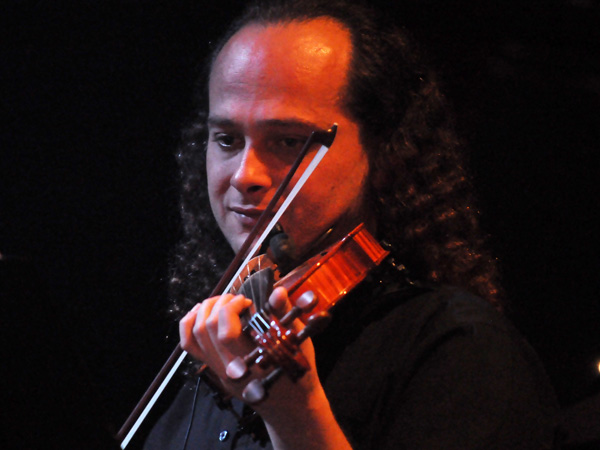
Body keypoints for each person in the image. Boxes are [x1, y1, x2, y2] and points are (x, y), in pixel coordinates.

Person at [145, 1, 558, 448]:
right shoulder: (214, 357)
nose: (245, 175)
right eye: (227, 139)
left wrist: (293, 411)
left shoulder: (460, 349)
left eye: (287, 141)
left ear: (385, 153)